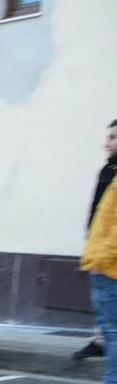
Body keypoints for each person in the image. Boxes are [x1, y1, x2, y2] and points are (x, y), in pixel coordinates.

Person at [74, 120, 117, 361]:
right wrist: (90, 235)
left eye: (112, 138)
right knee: (104, 306)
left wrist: (102, 253)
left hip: (109, 251)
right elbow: (98, 207)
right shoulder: (107, 170)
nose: (106, 144)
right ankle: (100, 340)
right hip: (100, 245)